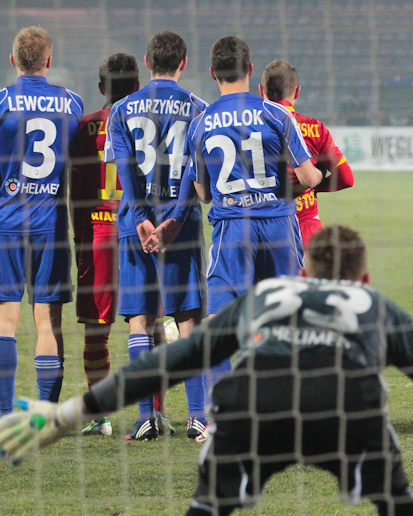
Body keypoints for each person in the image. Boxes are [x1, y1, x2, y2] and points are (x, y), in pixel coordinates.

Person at [0, 225, 413, 516]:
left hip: (253, 407)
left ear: (305, 271)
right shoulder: (372, 304)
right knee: (396, 501)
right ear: (361, 277)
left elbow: (172, 361)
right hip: (348, 410)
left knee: (209, 504)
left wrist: (66, 414)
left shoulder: (266, 294)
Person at [158, 37, 321, 320]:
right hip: (278, 225)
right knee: (286, 315)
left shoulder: (201, 123)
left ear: (212, 73)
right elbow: (308, 179)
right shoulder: (277, 114)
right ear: (250, 68)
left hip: (232, 226)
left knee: (220, 319)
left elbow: (203, 194)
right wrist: (320, 173)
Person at [104, 31, 210, 441]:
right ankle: (198, 416)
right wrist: (176, 220)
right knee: (187, 319)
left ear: (147, 62)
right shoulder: (198, 108)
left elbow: (125, 170)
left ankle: (147, 417)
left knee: (141, 320)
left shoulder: (121, 109)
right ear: (183, 63)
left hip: (135, 227)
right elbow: (194, 172)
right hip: (181, 228)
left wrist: (141, 219)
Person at [0, 27, 83, 416]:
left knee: (6, 318)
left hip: (7, 221)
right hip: (51, 222)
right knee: (48, 319)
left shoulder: (3, 101)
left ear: (13, 60)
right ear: (49, 61)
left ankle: (4, 413)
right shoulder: (72, 103)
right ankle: (47, 413)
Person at [69, 54, 139, 435]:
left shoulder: (84, 127)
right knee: (147, 324)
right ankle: (152, 413)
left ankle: (101, 417)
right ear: (137, 87)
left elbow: (76, 193)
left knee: (96, 330)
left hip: (97, 235)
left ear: (100, 88)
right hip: (138, 231)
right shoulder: (146, 122)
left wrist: (78, 237)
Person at [260, 60, 355, 247]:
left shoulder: (246, 128)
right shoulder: (315, 129)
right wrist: (311, 186)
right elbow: (346, 179)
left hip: (262, 227)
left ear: (261, 91)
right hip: (306, 228)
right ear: (297, 92)